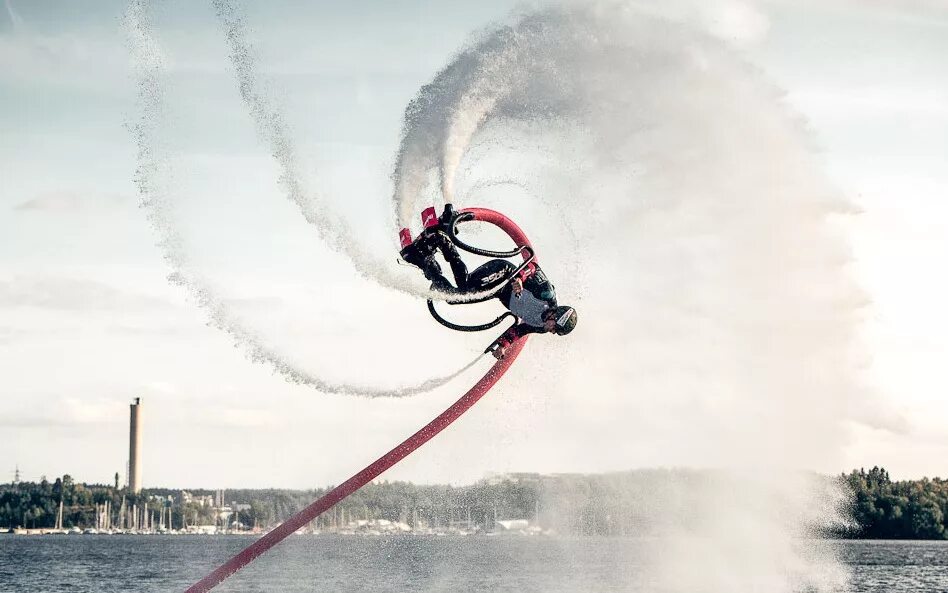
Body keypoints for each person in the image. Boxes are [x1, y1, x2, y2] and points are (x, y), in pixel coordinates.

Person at [400, 205, 577, 359]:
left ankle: (423, 260)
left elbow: (517, 332)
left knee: (453, 298)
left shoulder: (540, 326)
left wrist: (502, 346)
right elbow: (533, 267)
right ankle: (441, 240)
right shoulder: (546, 295)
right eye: (556, 328)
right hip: (504, 274)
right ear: (556, 315)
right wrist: (520, 280)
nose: (552, 332)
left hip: (497, 291)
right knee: (465, 287)